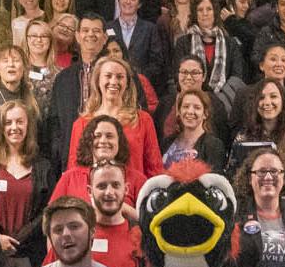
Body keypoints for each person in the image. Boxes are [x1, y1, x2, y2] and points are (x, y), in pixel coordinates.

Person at [69, 57, 163, 191]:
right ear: (97, 81)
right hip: (92, 202)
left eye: (120, 77)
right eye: (108, 76)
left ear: (127, 83)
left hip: (133, 197)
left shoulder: (143, 120)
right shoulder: (81, 124)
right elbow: (74, 171)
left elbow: (155, 168)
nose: (114, 81)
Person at [0, 100, 57, 267]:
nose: (14, 127)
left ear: (28, 126)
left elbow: (49, 208)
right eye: (8, 122)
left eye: (19, 121)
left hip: (31, 256)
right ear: (1, 128)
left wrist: (19, 240)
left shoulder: (44, 166)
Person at [48, 14, 108, 165]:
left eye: (96, 31)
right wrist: (59, 149)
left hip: (108, 151)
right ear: (77, 36)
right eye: (85, 30)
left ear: (105, 37)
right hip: (71, 155)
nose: (90, 35)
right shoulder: (63, 79)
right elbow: (54, 121)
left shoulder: (119, 75)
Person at [108, 0, 170, 98]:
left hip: (141, 88)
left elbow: (157, 62)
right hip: (111, 86)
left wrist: (139, 78)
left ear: (139, 4)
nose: (127, 2)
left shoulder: (150, 29)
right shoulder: (107, 27)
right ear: (118, 0)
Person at [84, 163, 141, 267]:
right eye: (102, 186)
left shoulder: (141, 236)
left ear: (126, 189)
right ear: (90, 191)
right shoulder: (76, 234)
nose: (109, 192)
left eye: (115, 185)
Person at [160, 85, 230, 172]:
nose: (190, 112)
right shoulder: (167, 142)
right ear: (179, 111)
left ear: (205, 114)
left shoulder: (214, 145)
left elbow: (213, 181)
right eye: (186, 106)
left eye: (197, 107)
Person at [229, 79, 285, 172]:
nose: (267, 102)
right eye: (261, 98)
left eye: (273, 96)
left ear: (283, 101)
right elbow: (233, 172)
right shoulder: (244, 136)